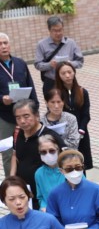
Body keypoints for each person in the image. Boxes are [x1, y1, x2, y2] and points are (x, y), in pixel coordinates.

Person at [11, 100, 65, 208]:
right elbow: (15, 155)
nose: (22, 121)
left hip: (44, 195)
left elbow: (65, 163)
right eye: (18, 118)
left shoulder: (50, 137)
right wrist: (11, 179)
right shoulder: (18, 133)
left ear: (37, 115)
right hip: (24, 193)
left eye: (26, 116)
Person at [0, 34, 37, 174]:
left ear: (9, 45)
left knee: (31, 146)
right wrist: (2, 98)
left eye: (5, 43)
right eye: (0, 44)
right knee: (8, 153)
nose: (3, 46)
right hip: (5, 116)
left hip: (25, 113)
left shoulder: (20, 63)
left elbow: (30, 86)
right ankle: (12, 184)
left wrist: (36, 108)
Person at [33, 16, 83, 95]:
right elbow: (37, 65)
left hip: (68, 81)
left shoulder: (71, 43)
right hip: (51, 82)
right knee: (54, 106)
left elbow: (80, 62)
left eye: (60, 30)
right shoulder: (41, 45)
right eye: (55, 31)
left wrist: (70, 64)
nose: (58, 33)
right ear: (49, 30)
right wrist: (50, 65)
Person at [55, 62, 91, 169]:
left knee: (80, 164)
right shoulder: (56, 93)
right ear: (58, 76)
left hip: (81, 134)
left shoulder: (82, 91)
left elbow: (86, 114)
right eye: (63, 73)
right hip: (64, 135)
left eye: (69, 72)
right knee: (65, 164)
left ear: (74, 73)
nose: (67, 75)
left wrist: (81, 130)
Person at [33, 133, 63, 211]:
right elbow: (41, 197)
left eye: (52, 151)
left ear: (58, 150)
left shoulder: (69, 168)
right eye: (43, 152)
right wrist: (43, 207)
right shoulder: (39, 173)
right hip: (49, 213)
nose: (48, 154)